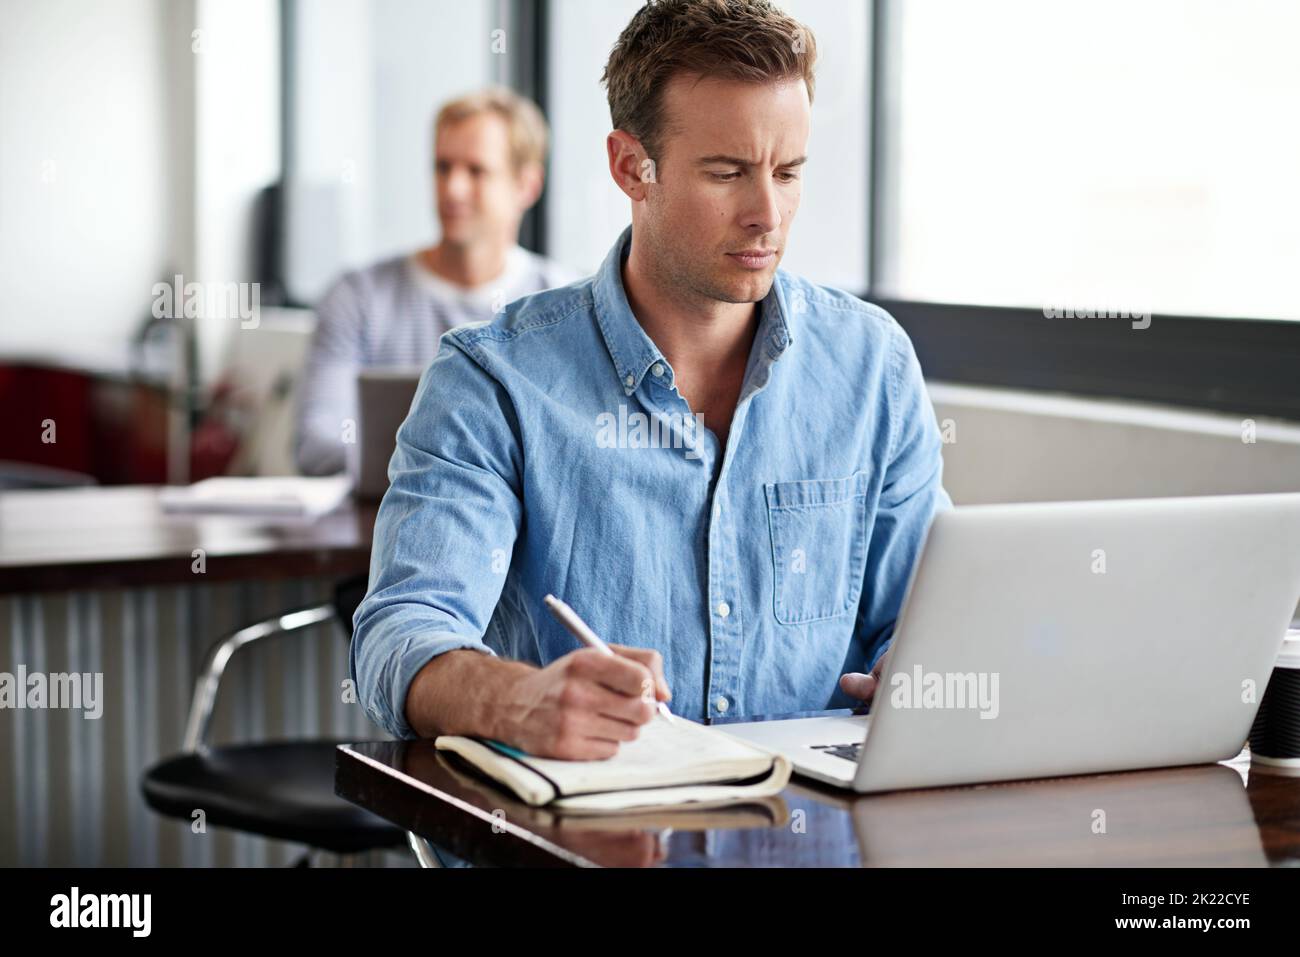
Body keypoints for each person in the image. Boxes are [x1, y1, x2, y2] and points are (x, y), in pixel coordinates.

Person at [352, 0, 952, 763]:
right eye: (728, 173)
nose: (767, 213)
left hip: (811, 830)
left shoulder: (873, 365)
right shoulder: (491, 379)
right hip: (579, 838)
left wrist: (926, 670)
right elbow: (397, 635)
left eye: (788, 171)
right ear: (632, 167)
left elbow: (927, 615)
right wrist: (517, 699)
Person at [294, 87, 579, 476]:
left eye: (476, 171)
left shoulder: (564, 303)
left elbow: (578, 449)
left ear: (526, 186)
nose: (452, 189)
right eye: (443, 168)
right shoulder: (357, 297)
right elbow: (318, 442)